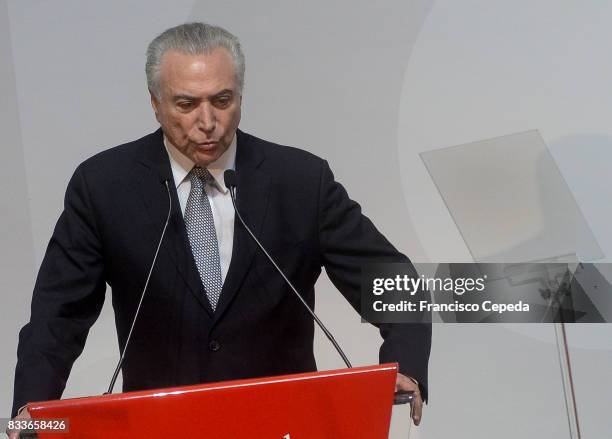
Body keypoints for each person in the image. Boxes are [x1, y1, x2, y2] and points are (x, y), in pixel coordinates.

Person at [8, 22, 431, 437]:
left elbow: (392, 279)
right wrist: (32, 410)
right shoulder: (103, 186)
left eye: (222, 100)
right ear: (155, 103)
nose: (207, 121)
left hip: (286, 424)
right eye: (187, 104)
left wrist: (405, 364)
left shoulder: (299, 180)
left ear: (240, 95)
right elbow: (57, 316)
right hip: (161, 428)